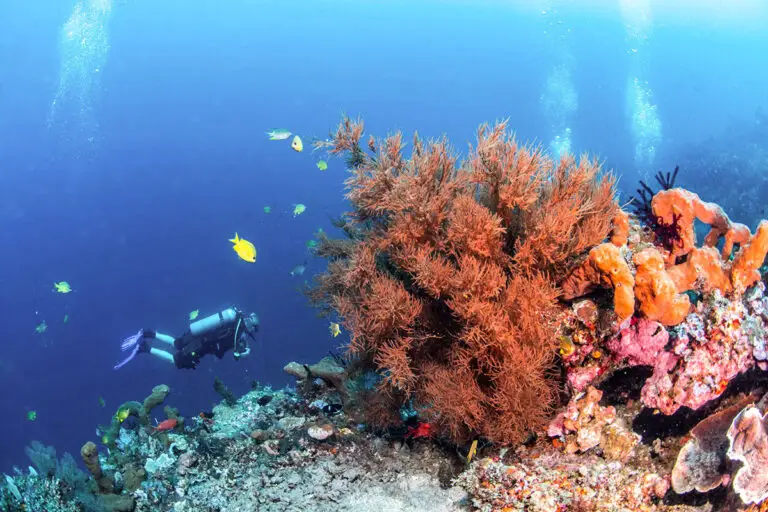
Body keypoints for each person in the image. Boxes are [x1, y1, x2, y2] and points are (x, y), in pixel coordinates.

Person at [114, 307, 259, 370]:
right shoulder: (238, 333)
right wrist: (240, 351)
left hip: (197, 334)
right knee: (175, 361)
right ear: (250, 327)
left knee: (176, 343)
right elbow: (226, 352)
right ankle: (145, 348)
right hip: (201, 345)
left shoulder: (233, 320)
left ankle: (149, 333)